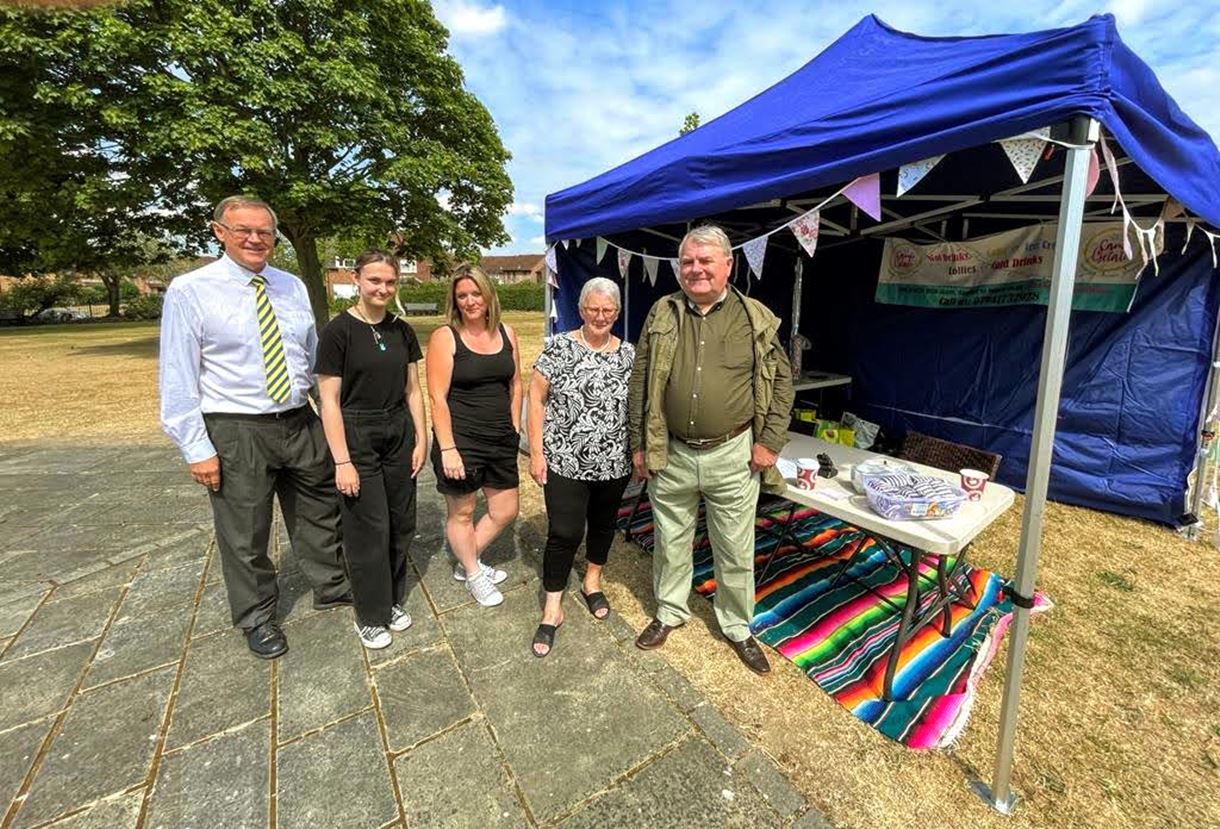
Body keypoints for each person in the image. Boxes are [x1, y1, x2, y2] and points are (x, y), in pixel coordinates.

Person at [159, 196, 350, 660]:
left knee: (319, 511)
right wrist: (196, 447)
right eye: (243, 229)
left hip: (298, 418)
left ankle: (330, 584)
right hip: (236, 426)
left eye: (265, 232)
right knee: (245, 530)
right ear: (218, 231)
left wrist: (325, 416)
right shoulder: (191, 290)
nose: (255, 239)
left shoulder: (292, 286)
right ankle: (257, 616)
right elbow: (178, 375)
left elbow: (308, 353)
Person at [627, 224, 794, 675]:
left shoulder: (756, 317)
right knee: (670, 539)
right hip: (673, 451)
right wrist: (639, 445)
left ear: (728, 266)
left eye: (705, 261)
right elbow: (640, 379)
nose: (695, 270)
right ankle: (669, 612)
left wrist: (770, 443)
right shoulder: (663, 312)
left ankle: (737, 627)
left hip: (734, 454)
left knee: (736, 547)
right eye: (687, 262)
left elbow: (782, 383)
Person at [315, 250, 427, 649]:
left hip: (397, 429)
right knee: (368, 528)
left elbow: (414, 390)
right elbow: (329, 400)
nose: (383, 288)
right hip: (357, 431)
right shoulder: (338, 332)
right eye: (375, 280)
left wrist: (422, 437)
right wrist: (342, 460)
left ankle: (392, 598)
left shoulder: (402, 330)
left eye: (390, 282)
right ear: (357, 279)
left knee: (401, 523)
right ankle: (370, 613)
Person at [526, 277, 635, 657]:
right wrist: (537, 453)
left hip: (614, 463)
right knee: (564, 531)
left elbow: (636, 409)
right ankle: (552, 607)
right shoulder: (557, 348)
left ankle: (592, 581)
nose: (600, 316)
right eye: (593, 309)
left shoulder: (629, 355)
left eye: (608, 311)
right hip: (565, 461)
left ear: (617, 313)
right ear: (581, 310)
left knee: (604, 525)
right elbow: (536, 400)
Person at [426, 264, 521, 607]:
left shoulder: (508, 333)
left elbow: (516, 383)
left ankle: (468, 561)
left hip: (500, 438)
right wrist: (448, 448)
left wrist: (514, 426)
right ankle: (473, 573)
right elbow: (436, 396)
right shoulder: (445, 337)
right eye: (462, 295)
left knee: (505, 509)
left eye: (475, 293)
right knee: (462, 512)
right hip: (461, 441)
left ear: (488, 294)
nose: (469, 301)